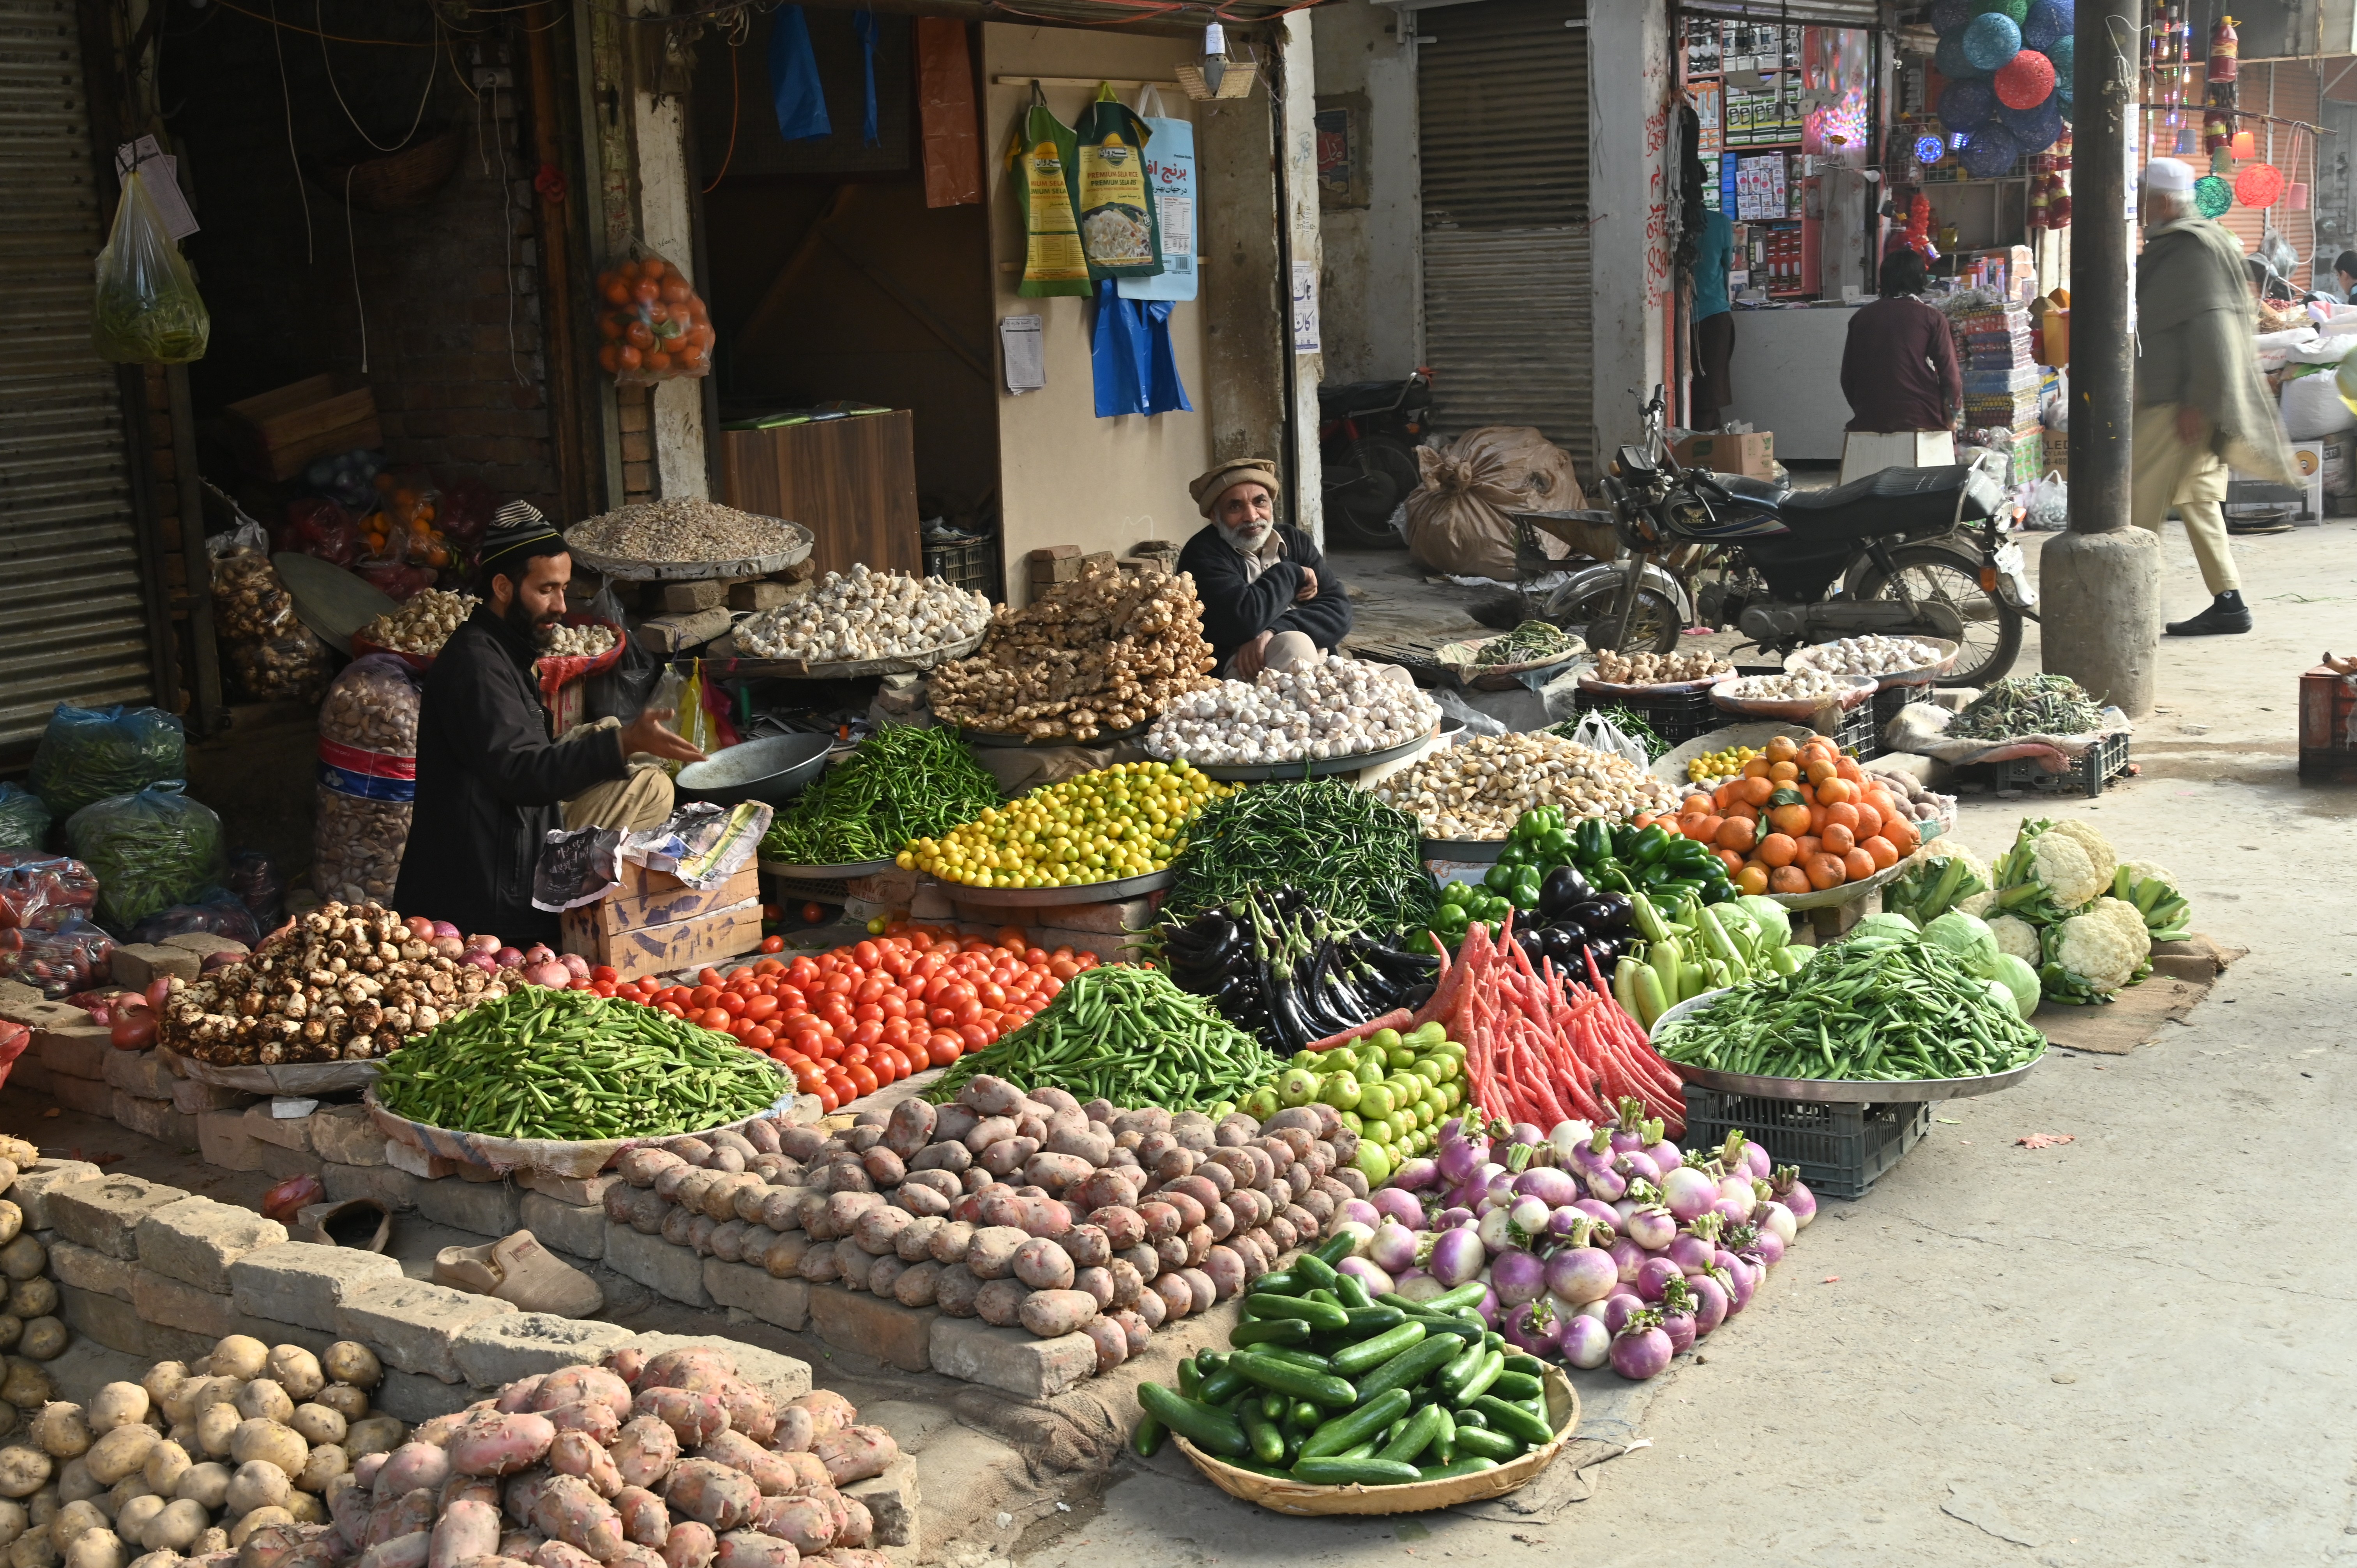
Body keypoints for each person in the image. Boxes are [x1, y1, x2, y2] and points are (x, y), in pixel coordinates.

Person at [394, 502, 707, 945]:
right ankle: (583, 918)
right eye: (547, 590)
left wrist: (620, 743)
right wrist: (624, 743)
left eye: (564, 589)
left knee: (652, 784)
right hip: (486, 898)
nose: (561, 605)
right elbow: (522, 774)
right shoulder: (477, 666)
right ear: (503, 587)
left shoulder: (502, 653)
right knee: (641, 776)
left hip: (507, 845)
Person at [2129, 157, 2299, 637]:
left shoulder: (2190, 249)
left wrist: (2195, 403)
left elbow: (2213, 332)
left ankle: (2129, 605)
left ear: (2162, 201)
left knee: (2136, 504)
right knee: (2200, 499)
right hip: (2186, 400)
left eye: (2143, 196)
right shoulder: (2192, 240)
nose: (2140, 206)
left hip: (2177, 405)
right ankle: (2229, 602)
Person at [1176, 458, 1352, 678]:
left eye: (1260, 503)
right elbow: (1246, 621)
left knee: (1397, 676)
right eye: (1235, 507)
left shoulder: (1294, 540)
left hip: (1321, 661)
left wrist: (1274, 630)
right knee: (1295, 644)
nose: (1251, 516)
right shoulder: (1203, 553)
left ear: (1271, 505)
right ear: (1215, 516)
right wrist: (1293, 572)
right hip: (1245, 668)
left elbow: (1340, 612)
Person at [1839, 247, 1963, 436]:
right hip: (1920, 415)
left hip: (1869, 416)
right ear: (1921, 278)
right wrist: (1951, 419)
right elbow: (1950, 377)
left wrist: (1865, 410)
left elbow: (1848, 377)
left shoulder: (1861, 317)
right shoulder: (1932, 317)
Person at [1689, 207, 1737, 429]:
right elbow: (1727, 265)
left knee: (1691, 394)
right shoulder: (1719, 222)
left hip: (1680, 315)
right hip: (1713, 315)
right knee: (1710, 393)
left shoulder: (1666, 220)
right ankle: (1706, 450)